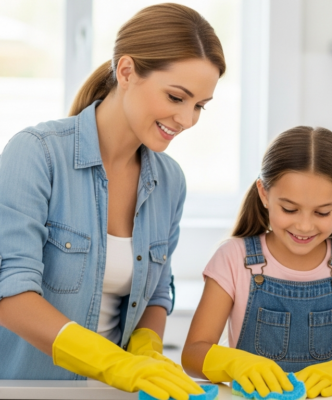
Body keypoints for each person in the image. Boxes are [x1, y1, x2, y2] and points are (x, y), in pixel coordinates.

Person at [0, 4, 225, 400]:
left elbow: (157, 295)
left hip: (117, 394)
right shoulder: (37, 154)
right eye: (176, 97)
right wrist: (115, 363)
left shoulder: (170, 180)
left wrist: (146, 353)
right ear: (126, 71)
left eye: (199, 106)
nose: (187, 119)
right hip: (30, 390)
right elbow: (12, 297)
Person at [181, 126, 332, 399]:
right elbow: (192, 354)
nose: (304, 225)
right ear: (264, 193)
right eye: (289, 209)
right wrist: (234, 364)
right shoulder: (233, 258)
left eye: (322, 212)